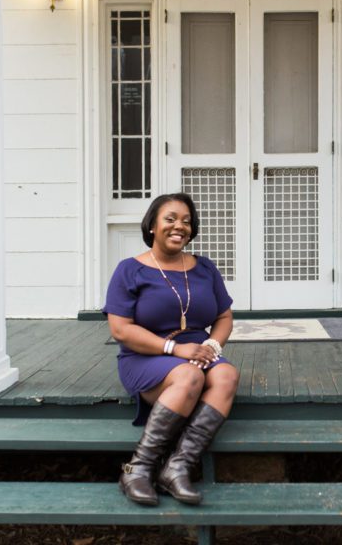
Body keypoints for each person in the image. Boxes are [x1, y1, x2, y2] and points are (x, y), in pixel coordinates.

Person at [103, 192, 239, 506]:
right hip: (145, 356)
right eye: (171, 219)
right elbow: (120, 329)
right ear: (152, 225)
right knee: (190, 376)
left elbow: (224, 316)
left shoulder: (204, 268)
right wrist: (174, 348)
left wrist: (212, 345)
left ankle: (177, 468)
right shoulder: (129, 270)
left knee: (227, 375)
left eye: (186, 221)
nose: (180, 226)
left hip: (195, 352)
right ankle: (138, 469)